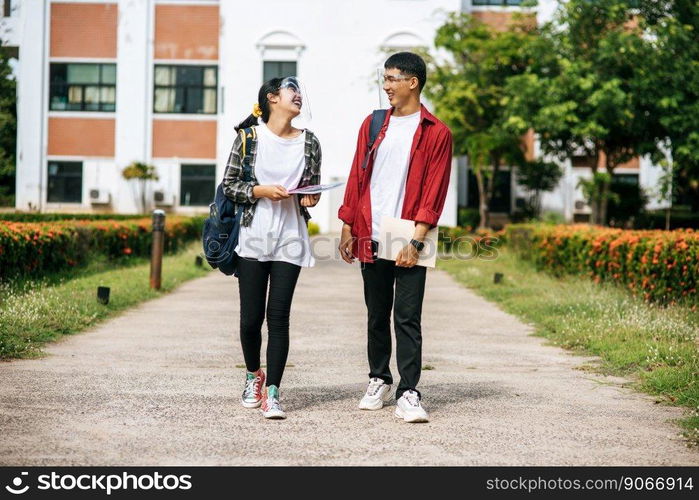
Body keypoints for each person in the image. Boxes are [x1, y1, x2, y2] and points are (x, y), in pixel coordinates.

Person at [337, 52, 453, 423]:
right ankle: (378, 379)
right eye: (384, 79)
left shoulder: (436, 131)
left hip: (408, 230)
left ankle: (409, 391)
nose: (386, 86)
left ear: (412, 82)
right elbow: (358, 176)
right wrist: (347, 225)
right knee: (376, 314)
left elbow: (435, 190)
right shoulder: (373, 125)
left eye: (392, 79)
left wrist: (416, 240)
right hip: (370, 228)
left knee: (407, 316)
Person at [222, 77, 321, 420]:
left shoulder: (310, 142)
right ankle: (253, 375)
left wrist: (311, 196)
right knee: (252, 320)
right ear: (272, 98)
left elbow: (311, 190)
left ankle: (274, 392)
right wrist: (261, 191)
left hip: (290, 238)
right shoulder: (249, 138)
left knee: (278, 318)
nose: (299, 95)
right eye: (292, 89)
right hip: (252, 236)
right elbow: (230, 185)